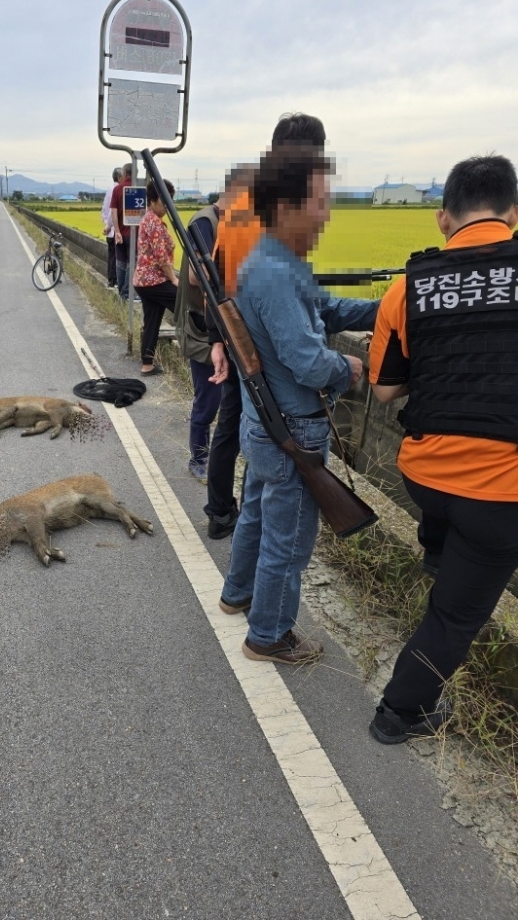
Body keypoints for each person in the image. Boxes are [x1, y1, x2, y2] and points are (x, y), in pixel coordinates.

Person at [367, 154, 518, 743]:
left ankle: (436, 554)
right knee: (456, 616)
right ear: (513, 213)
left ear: (442, 218)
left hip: (424, 474)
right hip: (498, 493)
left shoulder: (409, 287)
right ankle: (401, 714)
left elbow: (383, 391)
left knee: (453, 528)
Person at [218, 144, 380, 664]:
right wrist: (348, 369)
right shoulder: (275, 271)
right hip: (294, 430)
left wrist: (384, 308)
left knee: (257, 518)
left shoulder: (268, 259)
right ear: (287, 205)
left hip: (264, 423)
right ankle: (269, 635)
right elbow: (309, 361)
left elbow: (326, 309)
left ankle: (237, 594)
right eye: (320, 199)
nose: (327, 211)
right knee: (287, 544)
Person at [205, 114, 328, 540]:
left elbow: (214, 276)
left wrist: (217, 337)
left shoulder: (239, 200)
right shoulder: (282, 205)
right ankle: (235, 520)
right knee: (268, 441)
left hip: (239, 333)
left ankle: (223, 513)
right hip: (267, 344)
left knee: (241, 429)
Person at [174, 202, 222, 483]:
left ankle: (216, 457)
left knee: (228, 402)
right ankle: (199, 459)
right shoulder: (205, 222)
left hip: (225, 327)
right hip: (203, 329)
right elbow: (195, 275)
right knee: (208, 398)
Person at [133, 179, 178, 376]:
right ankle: (208, 347)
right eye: (163, 202)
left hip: (143, 281)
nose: (167, 206)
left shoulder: (149, 219)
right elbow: (161, 257)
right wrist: (174, 279)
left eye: (170, 201)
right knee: (188, 307)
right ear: (151, 201)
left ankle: (147, 364)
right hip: (154, 280)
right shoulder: (153, 222)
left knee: (152, 320)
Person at [110, 163, 132, 299]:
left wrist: (117, 231)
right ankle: (125, 293)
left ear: (124, 174)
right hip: (134, 234)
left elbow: (113, 211)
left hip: (120, 234)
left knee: (120, 263)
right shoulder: (139, 189)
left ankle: (121, 292)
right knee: (131, 264)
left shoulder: (117, 189)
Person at [101, 167, 122, 288]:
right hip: (115, 230)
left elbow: (104, 210)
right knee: (117, 258)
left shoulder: (109, 189)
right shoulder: (117, 189)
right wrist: (109, 225)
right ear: (119, 177)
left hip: (110, 230)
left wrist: (106, 224)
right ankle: (114, 281)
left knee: (111, 257)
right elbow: (112, 212)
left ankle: (111, 280)